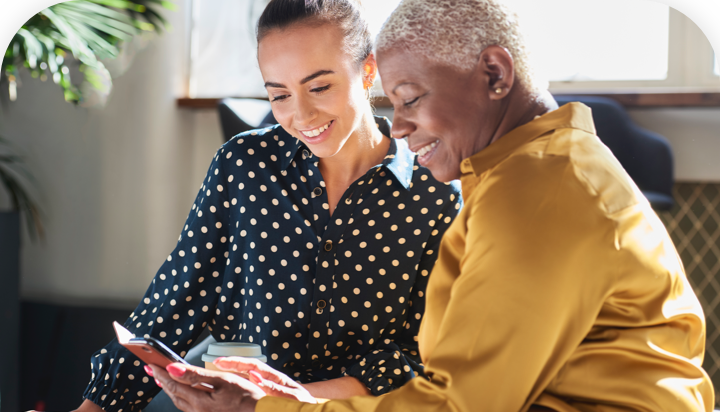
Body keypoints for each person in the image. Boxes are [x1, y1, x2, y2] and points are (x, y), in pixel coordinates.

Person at [149, 0, 715, 411]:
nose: (400, 127)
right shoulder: (511, 173)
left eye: (411, 99)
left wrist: (262, 409)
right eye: (277, 92)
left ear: (494, 74)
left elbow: (454, 405)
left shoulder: (536, 194)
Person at [73, 0, 462, 410]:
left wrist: (281, 402)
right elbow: (174, 301)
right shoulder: (243, 166)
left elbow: (420, 353)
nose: (301, 114)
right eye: (279, 95)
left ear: (368, 70)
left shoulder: (434, 193)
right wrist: (94, 406)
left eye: (319, 87)